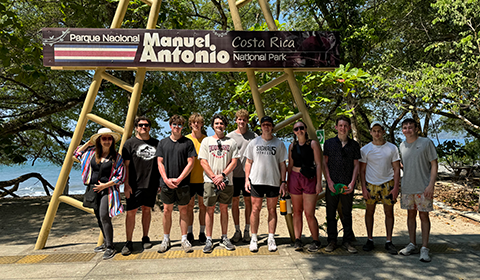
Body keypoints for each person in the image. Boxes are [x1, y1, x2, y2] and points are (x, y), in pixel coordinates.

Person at [74, 127, 125, 260]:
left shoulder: (116, 157)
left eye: (109, 138)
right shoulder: (91, 153)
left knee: (104, 215)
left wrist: (105, 185)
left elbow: (121, 176)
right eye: (104, 138)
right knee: (97, 216)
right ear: (99, 140)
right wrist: (87, 144)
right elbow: (76, 154)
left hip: (108, 189)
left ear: (112, 141)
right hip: (92, 188)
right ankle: (106, 243)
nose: (107, 141)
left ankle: (110, 247)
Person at [244, 116, 287, 252]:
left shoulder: (279, 144)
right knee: (255, 209)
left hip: (273, 182)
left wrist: (283, 182)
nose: (266, 127)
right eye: (264, 125)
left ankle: (271, 238)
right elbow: (248, 162)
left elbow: (282, 164)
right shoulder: (253, 143)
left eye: (269, 124)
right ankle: (254, 238)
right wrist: (246, 179)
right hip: (256, 181)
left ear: (272, 126)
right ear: (261, 127)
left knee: (272, 210)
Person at [198, 114, 239, 253]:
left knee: (224, 209)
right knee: (209, 209)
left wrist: (222, 176)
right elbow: (203, 161)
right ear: (213, 125)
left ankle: (224, 237)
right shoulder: (206, 141)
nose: (219, 125)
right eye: (216, 123)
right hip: (210, 181)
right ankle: (209, 239)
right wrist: (214, 177)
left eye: (221, 123)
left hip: (227, 181)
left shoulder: (231, 142)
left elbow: (234, 161)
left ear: (225, 125)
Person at [398, 118, 438, 262]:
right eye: (405, 127)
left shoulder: (426, 143)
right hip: (408, 187)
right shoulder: (401, 146)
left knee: (424, 216)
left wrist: (431, 185)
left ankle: (425, 248)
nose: (407, 130)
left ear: (416, 129)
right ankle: (412, 244)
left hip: (423, 188)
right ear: (402, 130)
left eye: (410, 127)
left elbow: (434, 164)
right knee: (410, 216)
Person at [156, 115, 197, 253]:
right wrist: (166, 179)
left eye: (180, 125)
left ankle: (184, 239)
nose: (177, 127)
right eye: (174, 124)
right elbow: (159, 162)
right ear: (170, 126)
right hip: (166, 183)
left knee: (184, 210)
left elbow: (191, 163)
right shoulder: (162, 143)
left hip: (183, 183)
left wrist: (179, 178)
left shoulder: (188, 143)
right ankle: (166, 239)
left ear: (183, 127)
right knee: (167, 210)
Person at [359, 121, 400, 254]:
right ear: (371, 132)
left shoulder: (392, 148)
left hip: (388, 184)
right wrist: (364, 188)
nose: (377, 133)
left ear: (383, 132)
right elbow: (362, 170)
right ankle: (370, 239)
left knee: (389, 212)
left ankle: (389, 241)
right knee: (369, 212)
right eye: (374, 131)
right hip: (371, 184)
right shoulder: (365, 149)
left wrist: (396, 187)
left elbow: (396, 168)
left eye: (379, 130)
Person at [120, 116, 160, 256]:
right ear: (136, 127)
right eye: (141, 125)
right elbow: (125, 166)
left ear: (149, 127)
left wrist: (159, 182)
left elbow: (160, 165)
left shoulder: (157, 143)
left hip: (151, 184)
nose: (144, 127)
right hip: (134, 185)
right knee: (131, 213)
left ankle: (145, 237)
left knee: (147, 210)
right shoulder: (129, 144)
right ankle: (129, 242)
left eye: (146, 125)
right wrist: (126, 184)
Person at [323, 116, 361, 254]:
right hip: (332, 183)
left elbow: (356, 165)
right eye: (340, 125)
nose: (343, 128)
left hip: (347, 184)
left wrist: (352, 182)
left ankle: (347, 241)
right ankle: (332, 241)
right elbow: (324, 164)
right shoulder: (329, 143)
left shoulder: (354, 145)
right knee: (330, 213)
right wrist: (329, 181)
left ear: (349, 128)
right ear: (336, 127)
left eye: (345, 125)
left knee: (347, 213)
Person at [287, 121, 323, 252]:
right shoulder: (292, 146)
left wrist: (319, 182)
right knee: (297, 211)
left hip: (309, 178)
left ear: (306, 129)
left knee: (309, 213)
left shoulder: (312, 144)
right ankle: (298, 239)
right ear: (294, 131)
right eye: (296, 129)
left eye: (301, 128)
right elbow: (290, 166)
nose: (299, 130)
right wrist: (286, 182)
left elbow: (319, 164)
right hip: (295, 178)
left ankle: (316, 240)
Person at [227, 109, 257, 243]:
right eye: (239, 119)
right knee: (234, 202)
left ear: (247, 121)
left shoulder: (254, 136)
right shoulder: (229, 137)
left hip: (249, 176)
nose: (242, 122)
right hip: (233, 176)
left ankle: (247, 230)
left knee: (247, 202)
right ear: (236, 121)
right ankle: (237, 230)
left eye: (244, 119)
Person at [185, 113, 207, 244]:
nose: (196, 124)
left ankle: (202, 233)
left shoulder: (207, 140)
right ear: (191, 124)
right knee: (189, 207)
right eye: (194, 122)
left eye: (198, 122)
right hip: (189, 180)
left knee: (203, 207)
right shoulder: (185, 139)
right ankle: (189, 232)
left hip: (203, 179)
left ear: (202, 124)